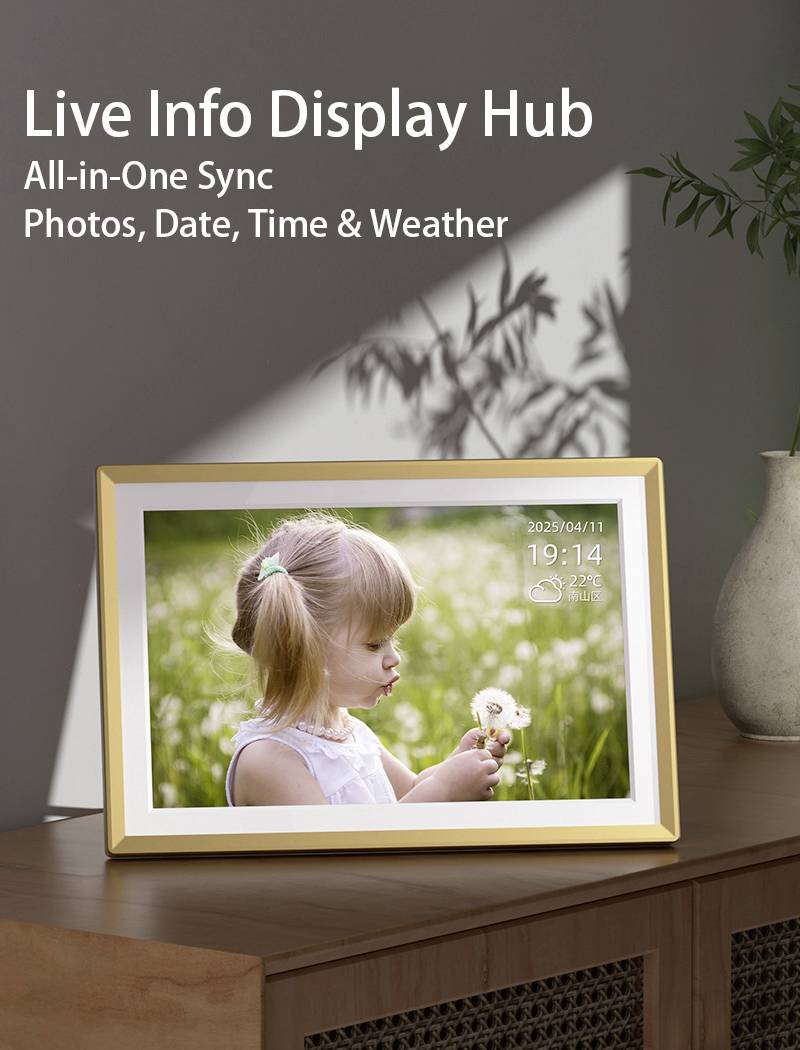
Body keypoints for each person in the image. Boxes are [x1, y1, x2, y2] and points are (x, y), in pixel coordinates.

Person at [225, 511, 509, 806]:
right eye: (374, 645)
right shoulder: (270, 761)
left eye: (392, 640)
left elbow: (409, 790)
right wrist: (444, 790)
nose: (394, 657)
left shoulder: (353, 733)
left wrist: (458, 766)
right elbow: (351, 851)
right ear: (301, 649)